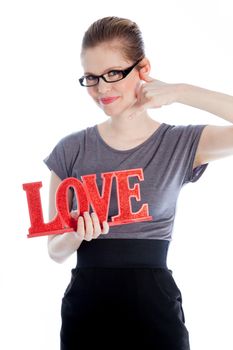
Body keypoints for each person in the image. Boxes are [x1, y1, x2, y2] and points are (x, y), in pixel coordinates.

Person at [43, 16, 233, 350]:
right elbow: (54, 250)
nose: (102, 88)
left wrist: (181, 92)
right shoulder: (69, 150)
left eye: (113, 73)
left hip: (155, 311)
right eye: (91, 77)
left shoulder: (180, 144)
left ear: (142, 68)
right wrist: (75, 234)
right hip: (86, 311)